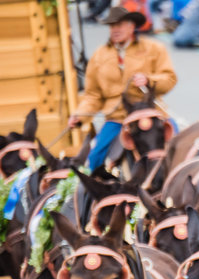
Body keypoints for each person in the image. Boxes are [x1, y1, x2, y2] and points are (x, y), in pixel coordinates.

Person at [68, 7, 177, 171]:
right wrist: (80, 115)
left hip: (150, 111)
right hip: (117, 118)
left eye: (120, 25)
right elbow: (92, 95)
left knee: (178, 143)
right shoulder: (99, 55)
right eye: (112, 26)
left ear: (132, 26)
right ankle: (96, 195)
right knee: (94, 158)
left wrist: (149, 80)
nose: (115, 30)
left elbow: (169, 78)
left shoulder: (154, 48)